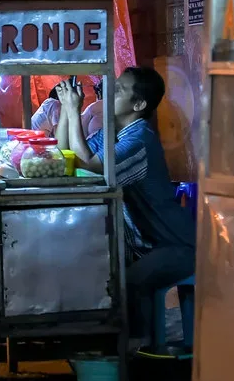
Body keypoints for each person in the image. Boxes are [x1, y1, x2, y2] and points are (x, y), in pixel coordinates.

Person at [54, 67, 195, 350]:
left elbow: (91, 166)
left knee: (129, 282)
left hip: (174, 245)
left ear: (139, 104)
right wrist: (69, 112)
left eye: (118, 90)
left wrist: (72, 111)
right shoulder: (114, 132)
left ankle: (138, 352)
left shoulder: (138, 140)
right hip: (146, 243)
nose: (108, 93)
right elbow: (67, 154)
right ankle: (121, 342)